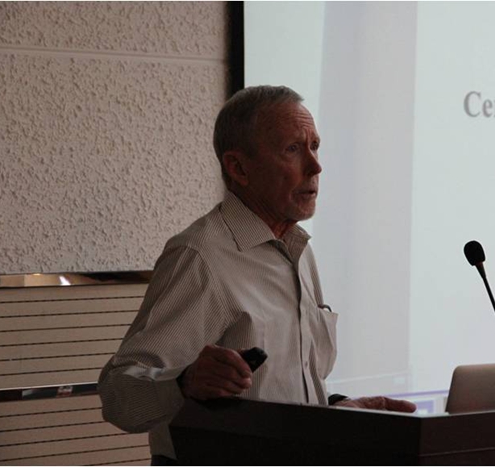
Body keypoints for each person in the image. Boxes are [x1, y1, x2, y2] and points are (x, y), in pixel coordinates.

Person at [98, 85, 416, 464]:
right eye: (293, 149)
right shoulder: (201, 257)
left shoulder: (299, 251)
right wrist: (184, 383)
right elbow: (119, 394)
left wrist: (336, 411)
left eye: (315, 147)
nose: (315, 166)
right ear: (238, 168)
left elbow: (282, 392)